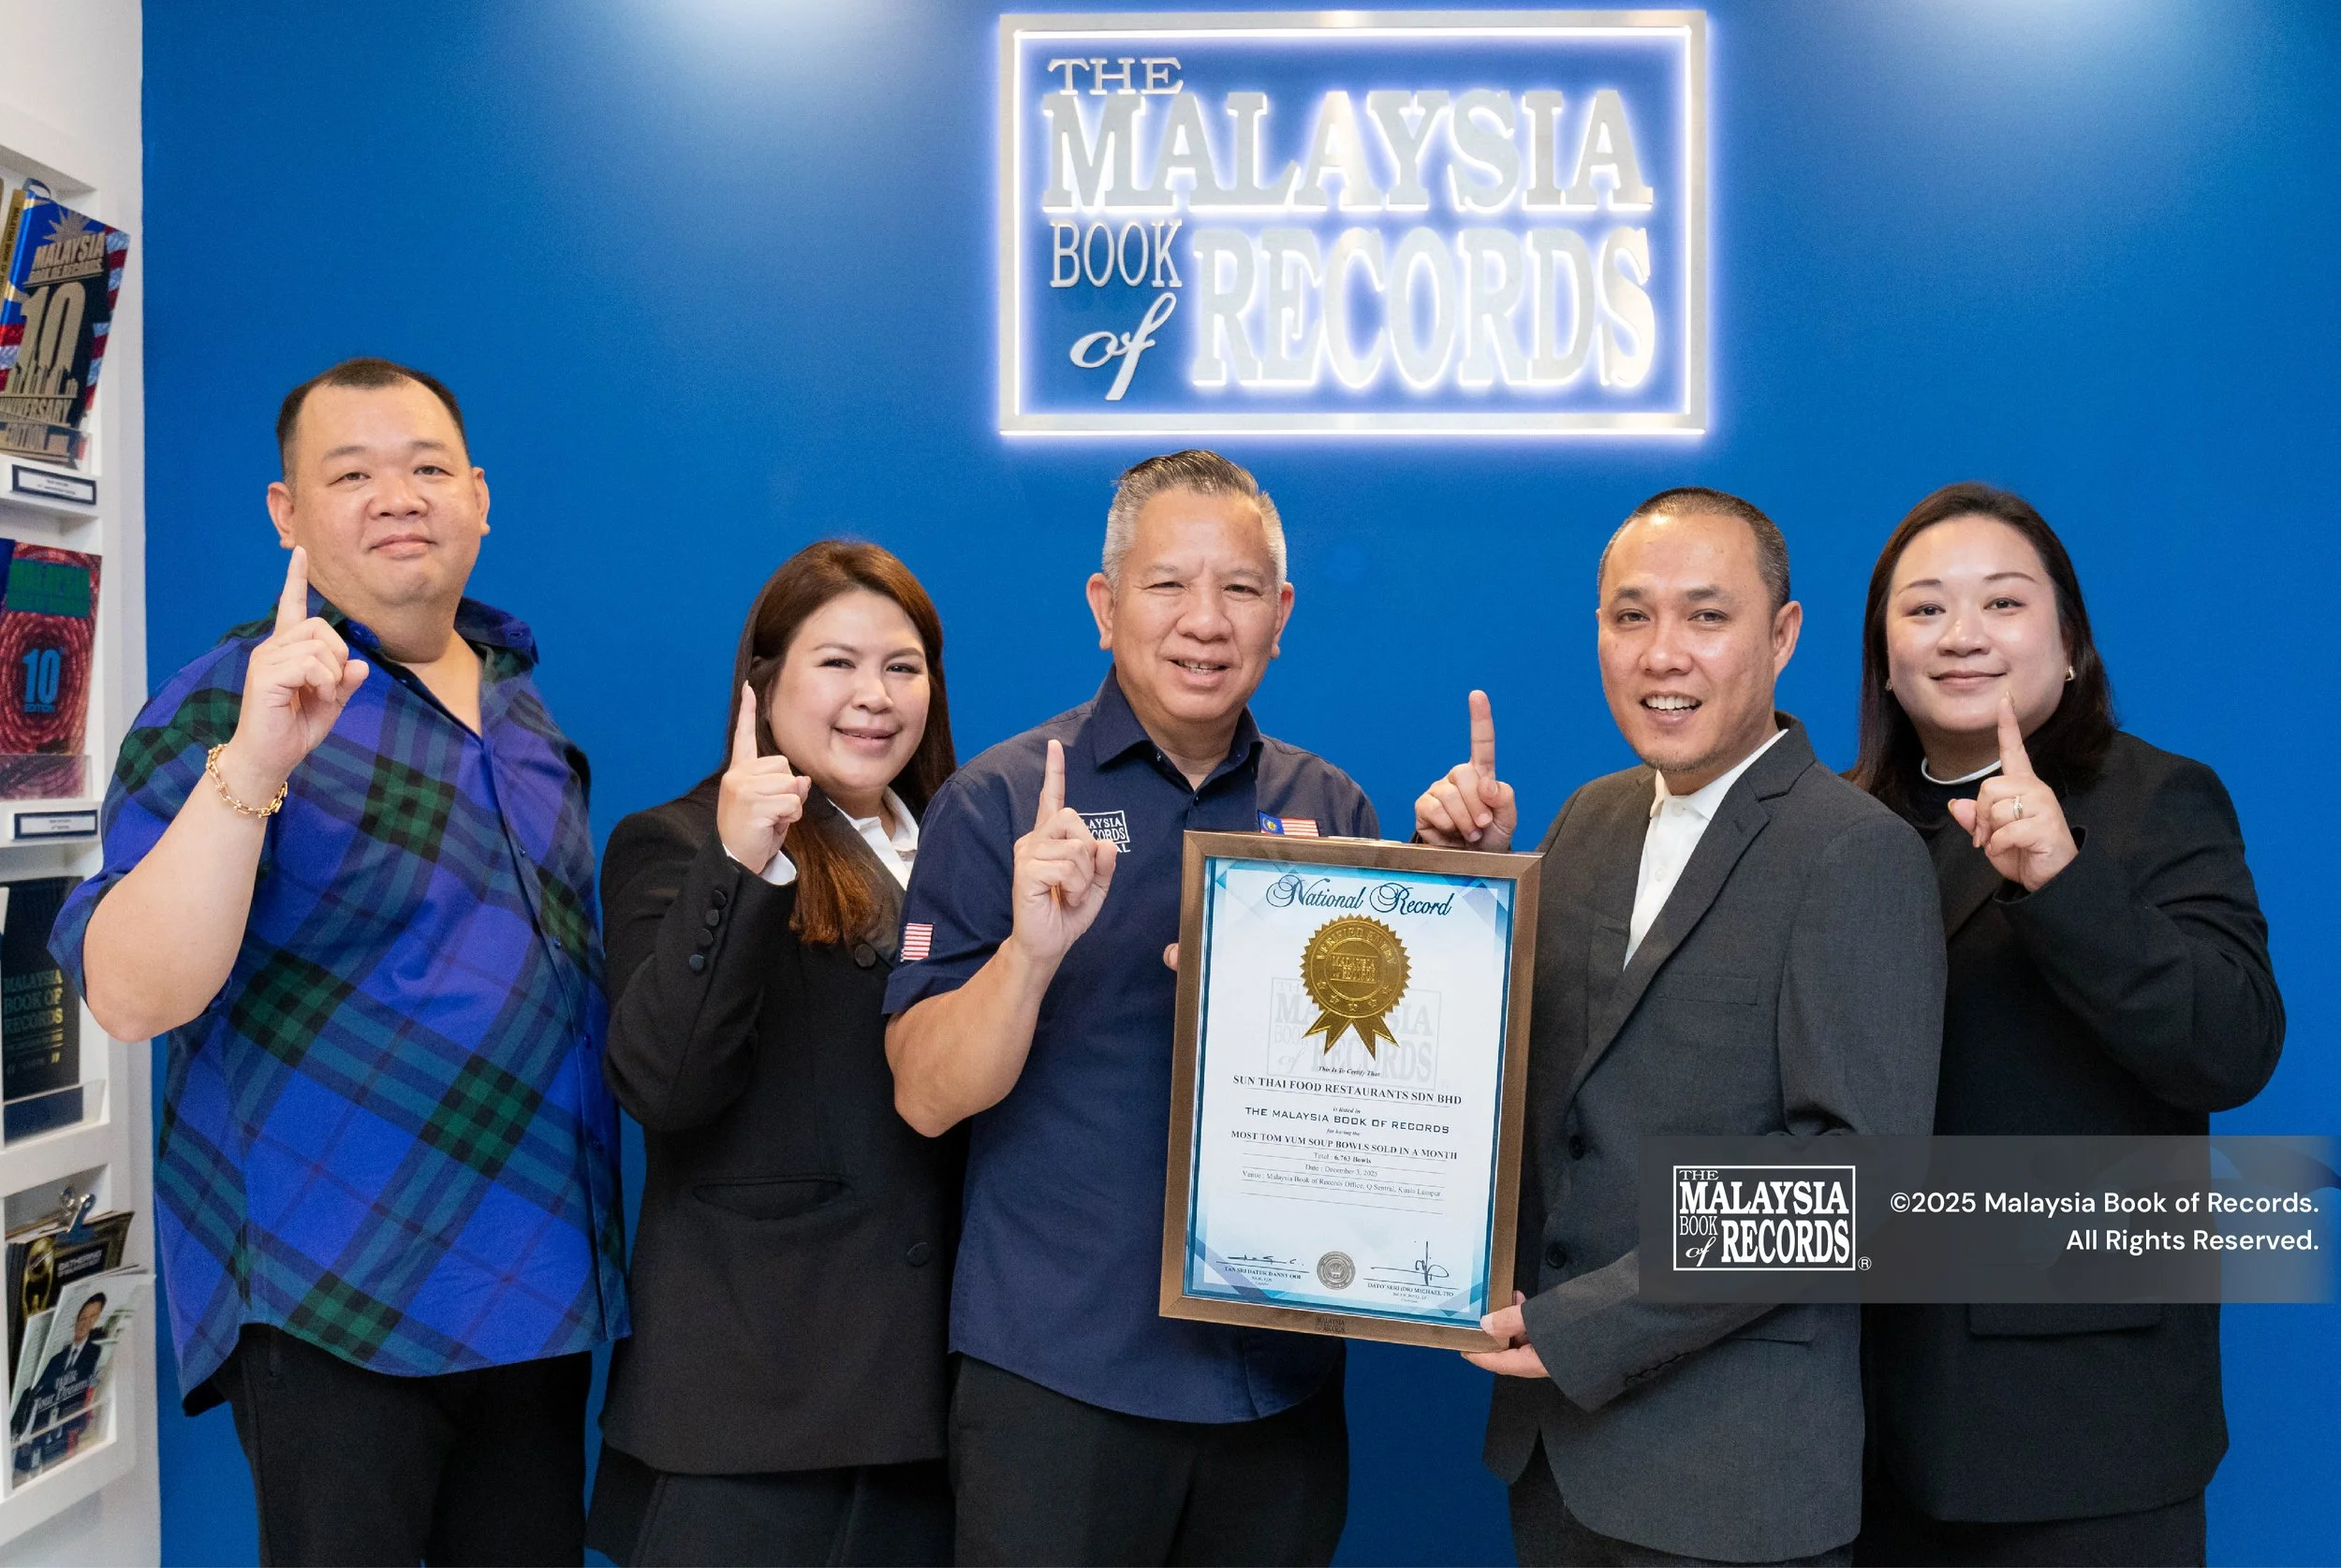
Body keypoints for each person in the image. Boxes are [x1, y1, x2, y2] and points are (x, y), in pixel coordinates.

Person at [51, 358, 626, 1565]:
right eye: (350, 473)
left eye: (425, 469)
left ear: (478, 495)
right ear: (288, 514)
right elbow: (130, 991)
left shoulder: (526, 711)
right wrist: (253, 768)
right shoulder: (226, 701)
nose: (396, 496)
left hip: (538, 1284)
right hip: (337, 1294)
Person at [1415, 487, 1945, 1566]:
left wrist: (1589, 1324)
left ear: (1782, 634)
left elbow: (1856, 1183)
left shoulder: (1854, 851)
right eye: (1629, 617)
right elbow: (1527, 1087)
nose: (1663, 654)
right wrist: (1460, 897)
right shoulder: (1587, 819)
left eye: (1706, 616)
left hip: (1731, 1486)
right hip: (1557, 1465)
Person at [884, 450, 1374, 1567]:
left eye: (1240, 589)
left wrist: (1464, 899)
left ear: (1281, 614)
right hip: (1061, 1380)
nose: (1205, 620)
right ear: (1105, 607)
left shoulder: (1330, 806)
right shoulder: (1004, 801)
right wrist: (1029, 951)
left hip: (1277, 1391)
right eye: (1168, 585)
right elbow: (922, 1093)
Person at [1848, 482, 2282, 1568]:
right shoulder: (1842, 829)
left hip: (2081, 1429)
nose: (1961, 637)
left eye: (2001, 603)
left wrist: (2062, 878)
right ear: (1884, 659)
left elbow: (2230, 1045)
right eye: (1923, 610)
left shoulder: (2154, 799)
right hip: (1856, 1422)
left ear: (2071, 641)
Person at [583, 540, 962, 1566]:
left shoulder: (966, 848)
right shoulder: (675, 842)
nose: (873, 696)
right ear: (764, 683)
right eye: (835, 662)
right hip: (753, 1410)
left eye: (902, 665)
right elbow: (662, 1084)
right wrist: (741, 863)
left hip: (940, 1412)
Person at [10, 1292, 108, 1471]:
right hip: (40, 1436)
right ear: (76, 1318)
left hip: (66, 1435)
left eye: (92, 1317)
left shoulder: (95, 1353)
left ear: (98, 1318)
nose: (85, 1323)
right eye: (83, 1317)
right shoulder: (56, 1359)